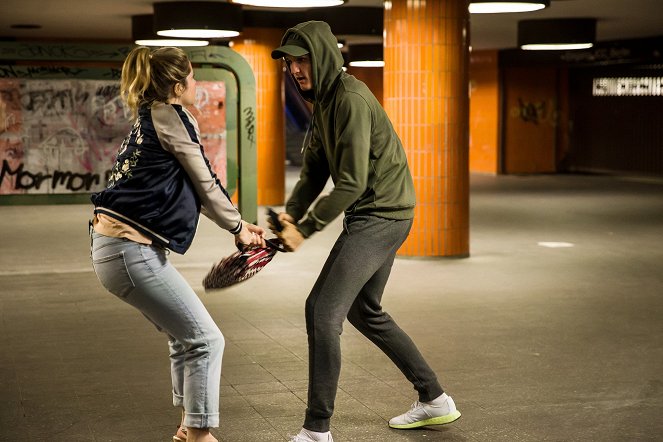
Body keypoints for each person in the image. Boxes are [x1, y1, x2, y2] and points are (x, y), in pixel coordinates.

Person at [269, 21, 461, 442]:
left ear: (321, 57)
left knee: (322, 311)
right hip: (372, 212)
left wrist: (309, 227)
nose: (296, 69)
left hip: (382, 214)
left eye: (302, 59)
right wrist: (291, 215)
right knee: (363, 310)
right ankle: (434, 398)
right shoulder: (323, 102)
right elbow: (315, 170)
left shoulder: (351, 99)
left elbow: (352, 182)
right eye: (289, 62)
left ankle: (317, 429)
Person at [89, 46, 266, 442]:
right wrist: (236, 226)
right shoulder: (171, 115)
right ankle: (200, 433)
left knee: (185, 338)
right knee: (206, 339)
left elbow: (190, 185)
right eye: (192, 77)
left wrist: (237, 225)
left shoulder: (153, 116)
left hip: (117, 248)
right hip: (127, 250)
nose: (196, 83)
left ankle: (190, 427)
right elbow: (203, 180)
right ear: (177, 85)